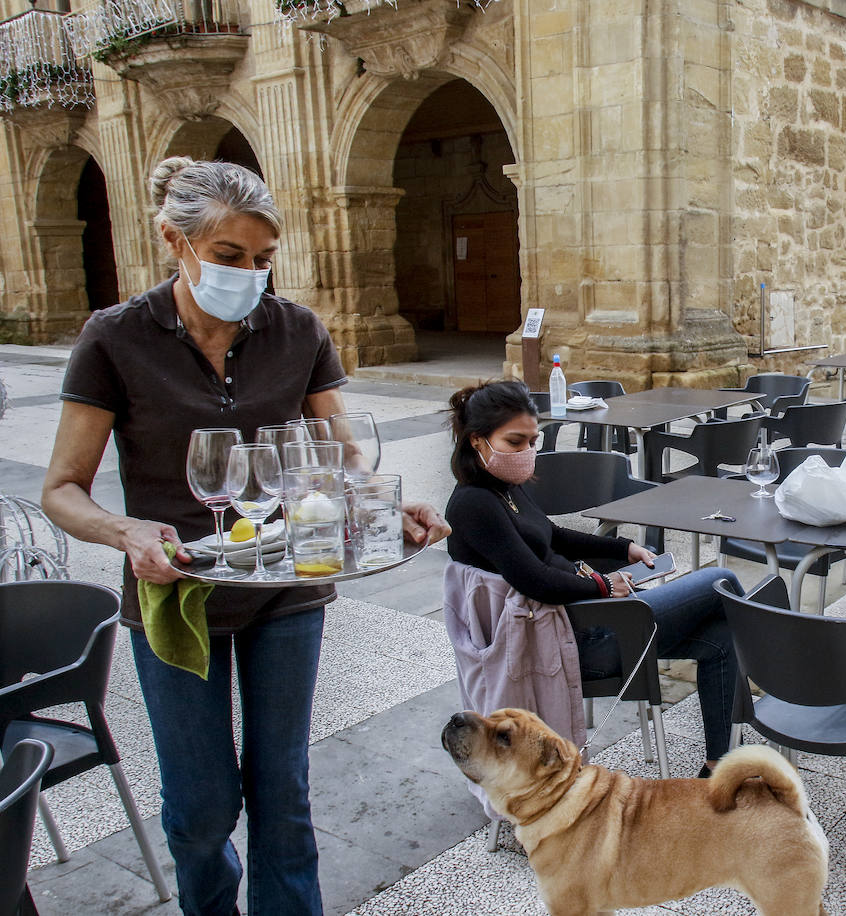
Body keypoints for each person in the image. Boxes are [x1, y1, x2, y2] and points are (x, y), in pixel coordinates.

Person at [42, 157, 449, 915]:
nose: (250, 274)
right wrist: (126, 530)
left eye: (264, 259)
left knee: (282, 793)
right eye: (229, 257)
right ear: (175, 240)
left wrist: (386, 507)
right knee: (199, 811)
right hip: (177, 593)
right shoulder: (115, 338)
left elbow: (344, 450)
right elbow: (61, 490)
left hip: (284, 587)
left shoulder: (296, 329)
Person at [443, 379, 740, 776]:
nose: (528, 453)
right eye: (516, 442)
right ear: (478, 441)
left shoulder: (504, 488)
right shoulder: (473, 504)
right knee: (718, 579)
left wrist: (622, 550)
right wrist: (604, 584)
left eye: (533, 441)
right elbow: (536, 580)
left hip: (589, 621)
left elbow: (553, 535)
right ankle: (783, 657)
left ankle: (719, 766)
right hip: (574, 641)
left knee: (720, 638)